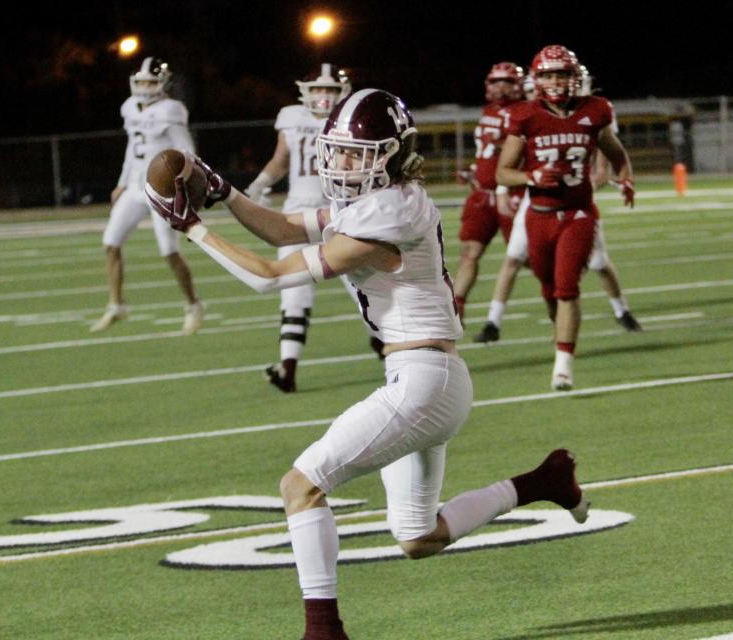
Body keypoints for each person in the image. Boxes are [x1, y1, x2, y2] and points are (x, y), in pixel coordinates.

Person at [146, 89, 589, 640]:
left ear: (393, 154)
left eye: (358, 153)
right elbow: (283, 228)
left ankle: (323, 631)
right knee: (419, 538)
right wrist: (223, 191)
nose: (341, 163)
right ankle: (544, 481)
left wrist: (192, 229)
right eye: (339, 151)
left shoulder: (391, 211)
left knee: (300, 485)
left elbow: (266, 274)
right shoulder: (383, 199)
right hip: (429, 379)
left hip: (424, 381)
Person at [495, 45, 635, 391]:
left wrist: (626, 178)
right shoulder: (525, 115)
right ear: (536, 79)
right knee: (548, 289)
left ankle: (563, 366)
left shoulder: (595, 110)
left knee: (567, 288)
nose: (555, 81)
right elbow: (502, 172)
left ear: (575, 77)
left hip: (578, 212)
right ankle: (562, 341)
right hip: (539, 214)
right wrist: (533, 177)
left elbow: (616, 154)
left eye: (562, 73)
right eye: (548, 74)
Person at [243, 63, 354, 391]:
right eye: (317, 89)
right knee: (293, 289)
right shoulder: (292, 118)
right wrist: (260, 183)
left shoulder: (349, 119)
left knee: (361, 284)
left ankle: (387, 345)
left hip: (338, 212)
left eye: (329, 90)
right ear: (305, 91)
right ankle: (288, 368)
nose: (322, 96)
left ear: (341, 92)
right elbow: (280, 160)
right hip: (297, 214)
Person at [90, 57, 204, 334]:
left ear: (162, 84)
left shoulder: (171, 110)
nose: (144, 87)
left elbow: (187, 153)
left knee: (169, 251)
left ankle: (193, 304)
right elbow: (132, 148)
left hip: (161, 191)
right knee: (111, 243)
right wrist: (121, 183)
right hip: (134, 186)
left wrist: (185, 190)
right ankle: (116, 305)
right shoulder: (130, 107)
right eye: (140, 82)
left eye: (150, 82)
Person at [450, 62, 525, 321]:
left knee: (525, 257)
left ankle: (557, 296)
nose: (500, 87)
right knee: (470, 252)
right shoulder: (488, 111)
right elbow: (487, 153)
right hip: (482, 195)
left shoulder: (525, 113)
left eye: (506, 81)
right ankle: (456, 306)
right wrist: (474, 170)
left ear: (518, 85)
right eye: (495, 81)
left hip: (512, 194)